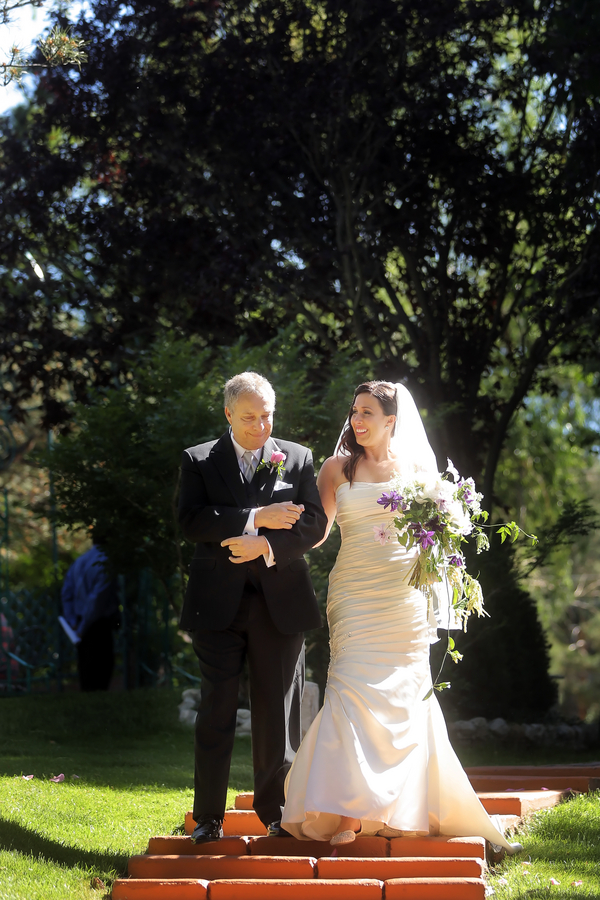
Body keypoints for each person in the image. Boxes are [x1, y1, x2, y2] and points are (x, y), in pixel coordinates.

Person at [282, 380, 522, 854]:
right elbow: (318, 531)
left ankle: (392, 808)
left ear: (392, 421)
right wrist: (271, 544)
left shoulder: (415, 470)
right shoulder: (335, 469)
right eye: (355, 411)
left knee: (402, 698)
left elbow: (436, 535)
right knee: (349, 690)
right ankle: (349, 810)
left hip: (403, 596)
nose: (357, 420)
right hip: (354, 593)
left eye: (368, 413)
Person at [178, 372, 327, 844]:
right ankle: (208, 818)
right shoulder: (199, 460)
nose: (261, 426)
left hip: (280, 605)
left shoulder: (297, 458)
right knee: (216, 709)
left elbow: (313, 524)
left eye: (267, 416)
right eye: (249, 417)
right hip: (216, 607)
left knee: (278, 712)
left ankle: (277, 813)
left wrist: (265, 545)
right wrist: (255, 518)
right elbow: (190, 520)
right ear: (228, 413)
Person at [60, 539, 120, 691]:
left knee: (85, 666)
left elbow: (66, 594)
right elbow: (96, 601)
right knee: (101, 667)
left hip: (81, 622)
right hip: (98, 624)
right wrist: (82, 627)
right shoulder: (105, 562)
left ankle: (88, 697)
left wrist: (73, 622)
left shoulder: (80, 561)